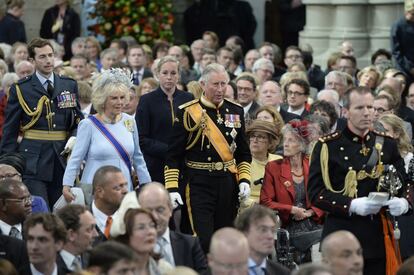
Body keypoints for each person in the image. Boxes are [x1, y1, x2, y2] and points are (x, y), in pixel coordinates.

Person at [308, 86, 412, 275]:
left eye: (370, 107)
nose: (367, 113)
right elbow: (315, 194)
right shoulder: (328, 146)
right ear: (345, 111)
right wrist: (351, 205)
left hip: (377, 235)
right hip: (342, 233)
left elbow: (405, 182)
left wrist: (405, 202)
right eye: (359, 108)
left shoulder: (386, 144)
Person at [164, 63, 252, 252]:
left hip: (228, 184)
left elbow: (243, 153)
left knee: (226, 239)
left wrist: (244, 179)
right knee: (202, 240)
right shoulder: (187, 112)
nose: (220, 89)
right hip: (198, 183)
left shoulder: (236, 111)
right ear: (203, 84)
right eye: (215, 84)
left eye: (224, 84)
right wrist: (172, 188)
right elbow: (173, 155)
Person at [0, 38, 83, 209]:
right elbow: (10, 129)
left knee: (64, 212)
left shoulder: (68, 84)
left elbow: (77, 120)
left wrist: (75, 137)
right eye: (42, 56)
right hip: (33, 161)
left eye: (51, 55)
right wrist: (7, 163)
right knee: (39, 210)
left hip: (62, 158)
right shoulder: (21, 88)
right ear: (31, 60)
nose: (48, 60)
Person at [62, 68, 151, 203]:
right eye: (114, 98)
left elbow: (138, 158)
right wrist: (67, 185)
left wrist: (147, 185)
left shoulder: (129, 121)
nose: (120, 102)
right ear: (103, 100)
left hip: (124, 188)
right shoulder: (88, 124)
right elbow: (76, 158)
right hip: (95, 189)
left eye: (122, 97)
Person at [261, 120, 324, 262]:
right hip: (287, 227)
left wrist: (310, 212)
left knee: (326, 237)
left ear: (302, 145)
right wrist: (292, 209)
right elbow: (265, 202)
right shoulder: (273, 167)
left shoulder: (313, 165)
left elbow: (323, 196)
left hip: (314, 223)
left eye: (291, 140)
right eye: (285, 140)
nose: (286, 144)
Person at [137, 56, 193, 183]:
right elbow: (141, 138)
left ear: (178, 75)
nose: (169, 77)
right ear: (157, 74)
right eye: (165, 73)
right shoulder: (147, 101)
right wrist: (170, 151)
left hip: (183, 166)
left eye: (173, 73)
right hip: (156, 166)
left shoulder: (188, 98)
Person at [138, 182, 208, 273]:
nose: (155, 217)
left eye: (160, 210)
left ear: (170, 209)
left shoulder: (190, 244)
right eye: (148, 210)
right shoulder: (131, 247)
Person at [377, 114, 414, 259]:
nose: (381, 134)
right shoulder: (373, 156)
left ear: (397, 133)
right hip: (382, 215)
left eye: (385, 130)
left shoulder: (409, 160)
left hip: (406, 216)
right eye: (378, 130)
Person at [235, 205, 290, 275]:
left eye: (273, 230)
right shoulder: (223, 270)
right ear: (243, 233)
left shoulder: (282, 272)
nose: (270, 236)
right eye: (263, 230)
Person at [240, 120, 282, 211]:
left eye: (261, 137)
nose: (255, 140)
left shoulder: (278, 161)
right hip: (247, 211)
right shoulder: (242, 162)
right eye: (253, 136)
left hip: (274, 210)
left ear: (270, 143)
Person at [114, 208, 168, 275]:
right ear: (126, 236)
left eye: (152, 225)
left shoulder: (165, 269)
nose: (150, 232)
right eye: (141, 227)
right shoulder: (113, 271)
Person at [91, 166, 128, 245]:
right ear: (100, 192)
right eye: (118, 187)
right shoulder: (80, 221)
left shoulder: (131, 218)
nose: (125, 191)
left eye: (125, 185)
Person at [56, 204, 98, 272]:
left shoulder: (92, 260)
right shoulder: (49, 266)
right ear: (71, 234)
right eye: (89, 229)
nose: (96, 234)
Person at [391, 0, 414, 85]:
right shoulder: (398, 26)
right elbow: (396, 51)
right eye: (412, 13)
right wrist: (410, 68)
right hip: (404, 67)